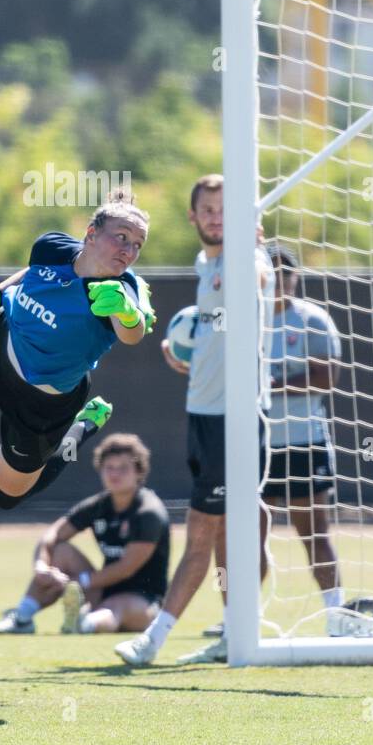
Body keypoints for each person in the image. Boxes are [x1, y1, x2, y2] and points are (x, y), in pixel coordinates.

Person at [114, 174, 272, 666]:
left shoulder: (249, 259)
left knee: (201, 533)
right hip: (202, 415)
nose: (216, 216)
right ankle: (235, 629)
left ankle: (153, 641)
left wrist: (250, 246)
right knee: (224, 537)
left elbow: (257, 280)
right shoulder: (205, 264)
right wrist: (185, 349)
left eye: (225, 208)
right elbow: (219, 325)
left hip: (236, 420)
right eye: (207, 209)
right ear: (193, 216)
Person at [0, 189, 155, 510]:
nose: (129, 250)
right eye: (121, 236)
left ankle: (83, 424)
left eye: (137, 245)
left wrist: (130, 312)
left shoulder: (120, 289)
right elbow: (30, 273)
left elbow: (133, 334)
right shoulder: (53, 246)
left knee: (5, 494)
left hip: (40, 404)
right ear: (91, 235)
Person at [0, 433, 170, 634]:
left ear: (139, 472)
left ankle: (83, 624)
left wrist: (78, 581)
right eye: (109, 467)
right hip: (101, 587)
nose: (115, 474)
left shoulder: (148, 511)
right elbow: (53, 534)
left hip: (143, 601)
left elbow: (126, 568)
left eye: (123, 468)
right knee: (60, 551)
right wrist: (42, 566)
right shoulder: (99, 504)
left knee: (114, 606)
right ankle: (22, 617)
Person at [262, 244, 345, 616]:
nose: (280, 280)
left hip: (302, 442)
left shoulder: (312, 319)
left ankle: (336, 612)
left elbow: (325, 377)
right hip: (256, 445)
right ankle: (240, 619)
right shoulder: (243, 319)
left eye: (287, 273)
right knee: (248, 539)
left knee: (313, 533)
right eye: (272, 272)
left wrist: (268, 383)